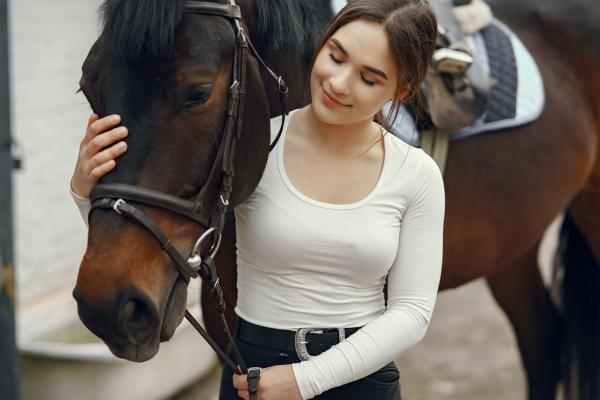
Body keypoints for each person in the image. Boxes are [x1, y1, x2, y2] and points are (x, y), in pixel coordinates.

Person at [70, 0, 444, 399]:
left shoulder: (415, 174)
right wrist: (83, 189)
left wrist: (304, 381)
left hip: (360, 383)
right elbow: (164, 234)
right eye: (335, 56)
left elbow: (411, 313)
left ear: (401, 90)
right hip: (253, 377)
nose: (338, 83)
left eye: (368, 79)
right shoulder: (254, 144)